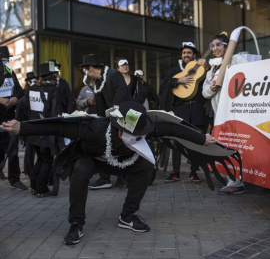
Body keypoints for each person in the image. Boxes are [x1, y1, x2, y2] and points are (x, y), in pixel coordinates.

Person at [0, 101, 217, 245]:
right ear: (120, 130)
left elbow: (173, 129)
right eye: (134, 134)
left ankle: (128, 216)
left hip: (122, 161)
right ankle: (76, 223)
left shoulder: (146, 128)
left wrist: (202, 138)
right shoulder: (93, 128)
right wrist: (23, 127)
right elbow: (57, 126)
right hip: (92, 158)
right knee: (81, 170)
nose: (141, 137)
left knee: (145, 167)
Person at [202, 32, 247, 195]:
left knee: (238, 148)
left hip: (237, 115)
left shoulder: (237, 60)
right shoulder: (212, 69)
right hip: (220, 117)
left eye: (218, 45)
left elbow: (249, 75)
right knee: (224, 149)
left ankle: (238, 181)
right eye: (212, 46)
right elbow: (205, 92)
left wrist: (233, 71)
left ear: (227, 46)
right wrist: (212, 88)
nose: (215, 48)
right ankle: (233, 180)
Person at [159, 42, 209, 183]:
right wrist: (178, 80)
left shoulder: (201, 69)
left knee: (197, 142)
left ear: (194, 55)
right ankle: (175, 172)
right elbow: (163, 83)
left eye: (189, 53)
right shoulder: (176, 70)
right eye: (184, 53)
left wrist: (207, 67)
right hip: (180, 109)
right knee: (177, 142)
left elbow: (210, 82)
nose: (186, 55)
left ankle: (194, 171)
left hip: (197, 110)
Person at [81, 54, 132, 190]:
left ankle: (124, 178)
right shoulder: (98, 81)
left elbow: (121, 99)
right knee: (103, 144)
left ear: (90, 68)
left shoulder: (114, 75)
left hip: (122, 117)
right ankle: (105, 178)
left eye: (85, 70)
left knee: (122, 147)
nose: (84, 74)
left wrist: (112, 118)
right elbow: (99, 106)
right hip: (110, 118)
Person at [17, 61, 64, 197]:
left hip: (33, 130)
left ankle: (34, 185)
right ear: (53, 76)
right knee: (47, 159)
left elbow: (23, 106)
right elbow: (56, 112)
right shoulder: (54, 90)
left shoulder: (32, 89)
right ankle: (41, 188)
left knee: (40, 158)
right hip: (47, 131)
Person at [0, 46, 26, 189]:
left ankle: (15, 179)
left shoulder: (11, 72)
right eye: (2, 60)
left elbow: (20, 91)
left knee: (13, 150)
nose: (5, 63)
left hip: (9, 118)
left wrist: (15, 98)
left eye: (6, 60)